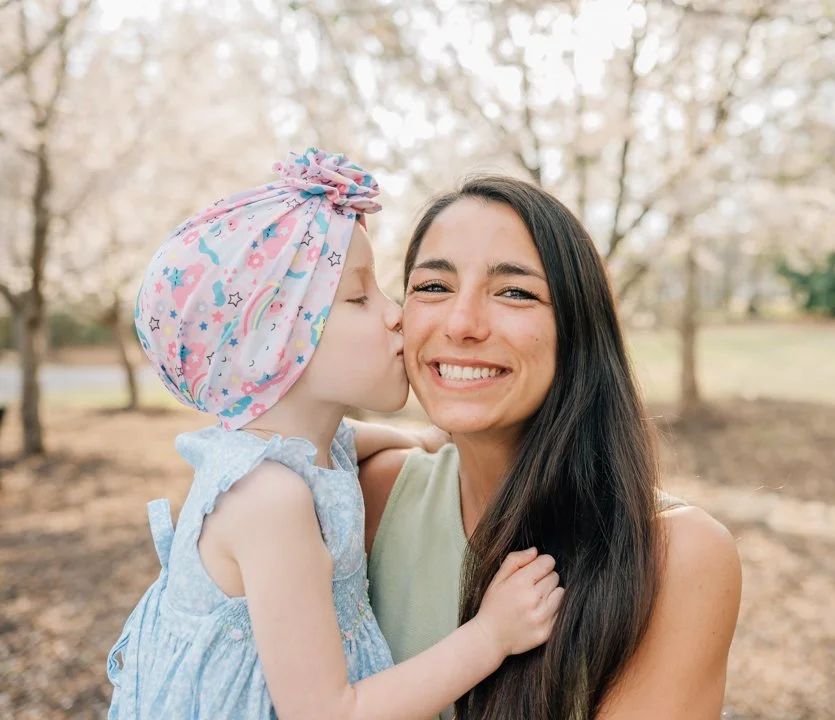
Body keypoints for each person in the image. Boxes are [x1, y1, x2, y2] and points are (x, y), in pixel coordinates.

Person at [105, 150, 563, 720]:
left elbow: (352, 439)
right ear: (273, 344)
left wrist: (426, 439)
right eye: (358, 298)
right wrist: (491, 635)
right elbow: (330, 712)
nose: (397, 315)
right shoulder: (271, 503)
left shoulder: (308, 450)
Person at [361, 175, 743, 720]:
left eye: (514, 292)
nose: (461, 323)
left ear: (579, 330)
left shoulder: (675, 554)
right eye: (432, 287)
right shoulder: (371, 494)